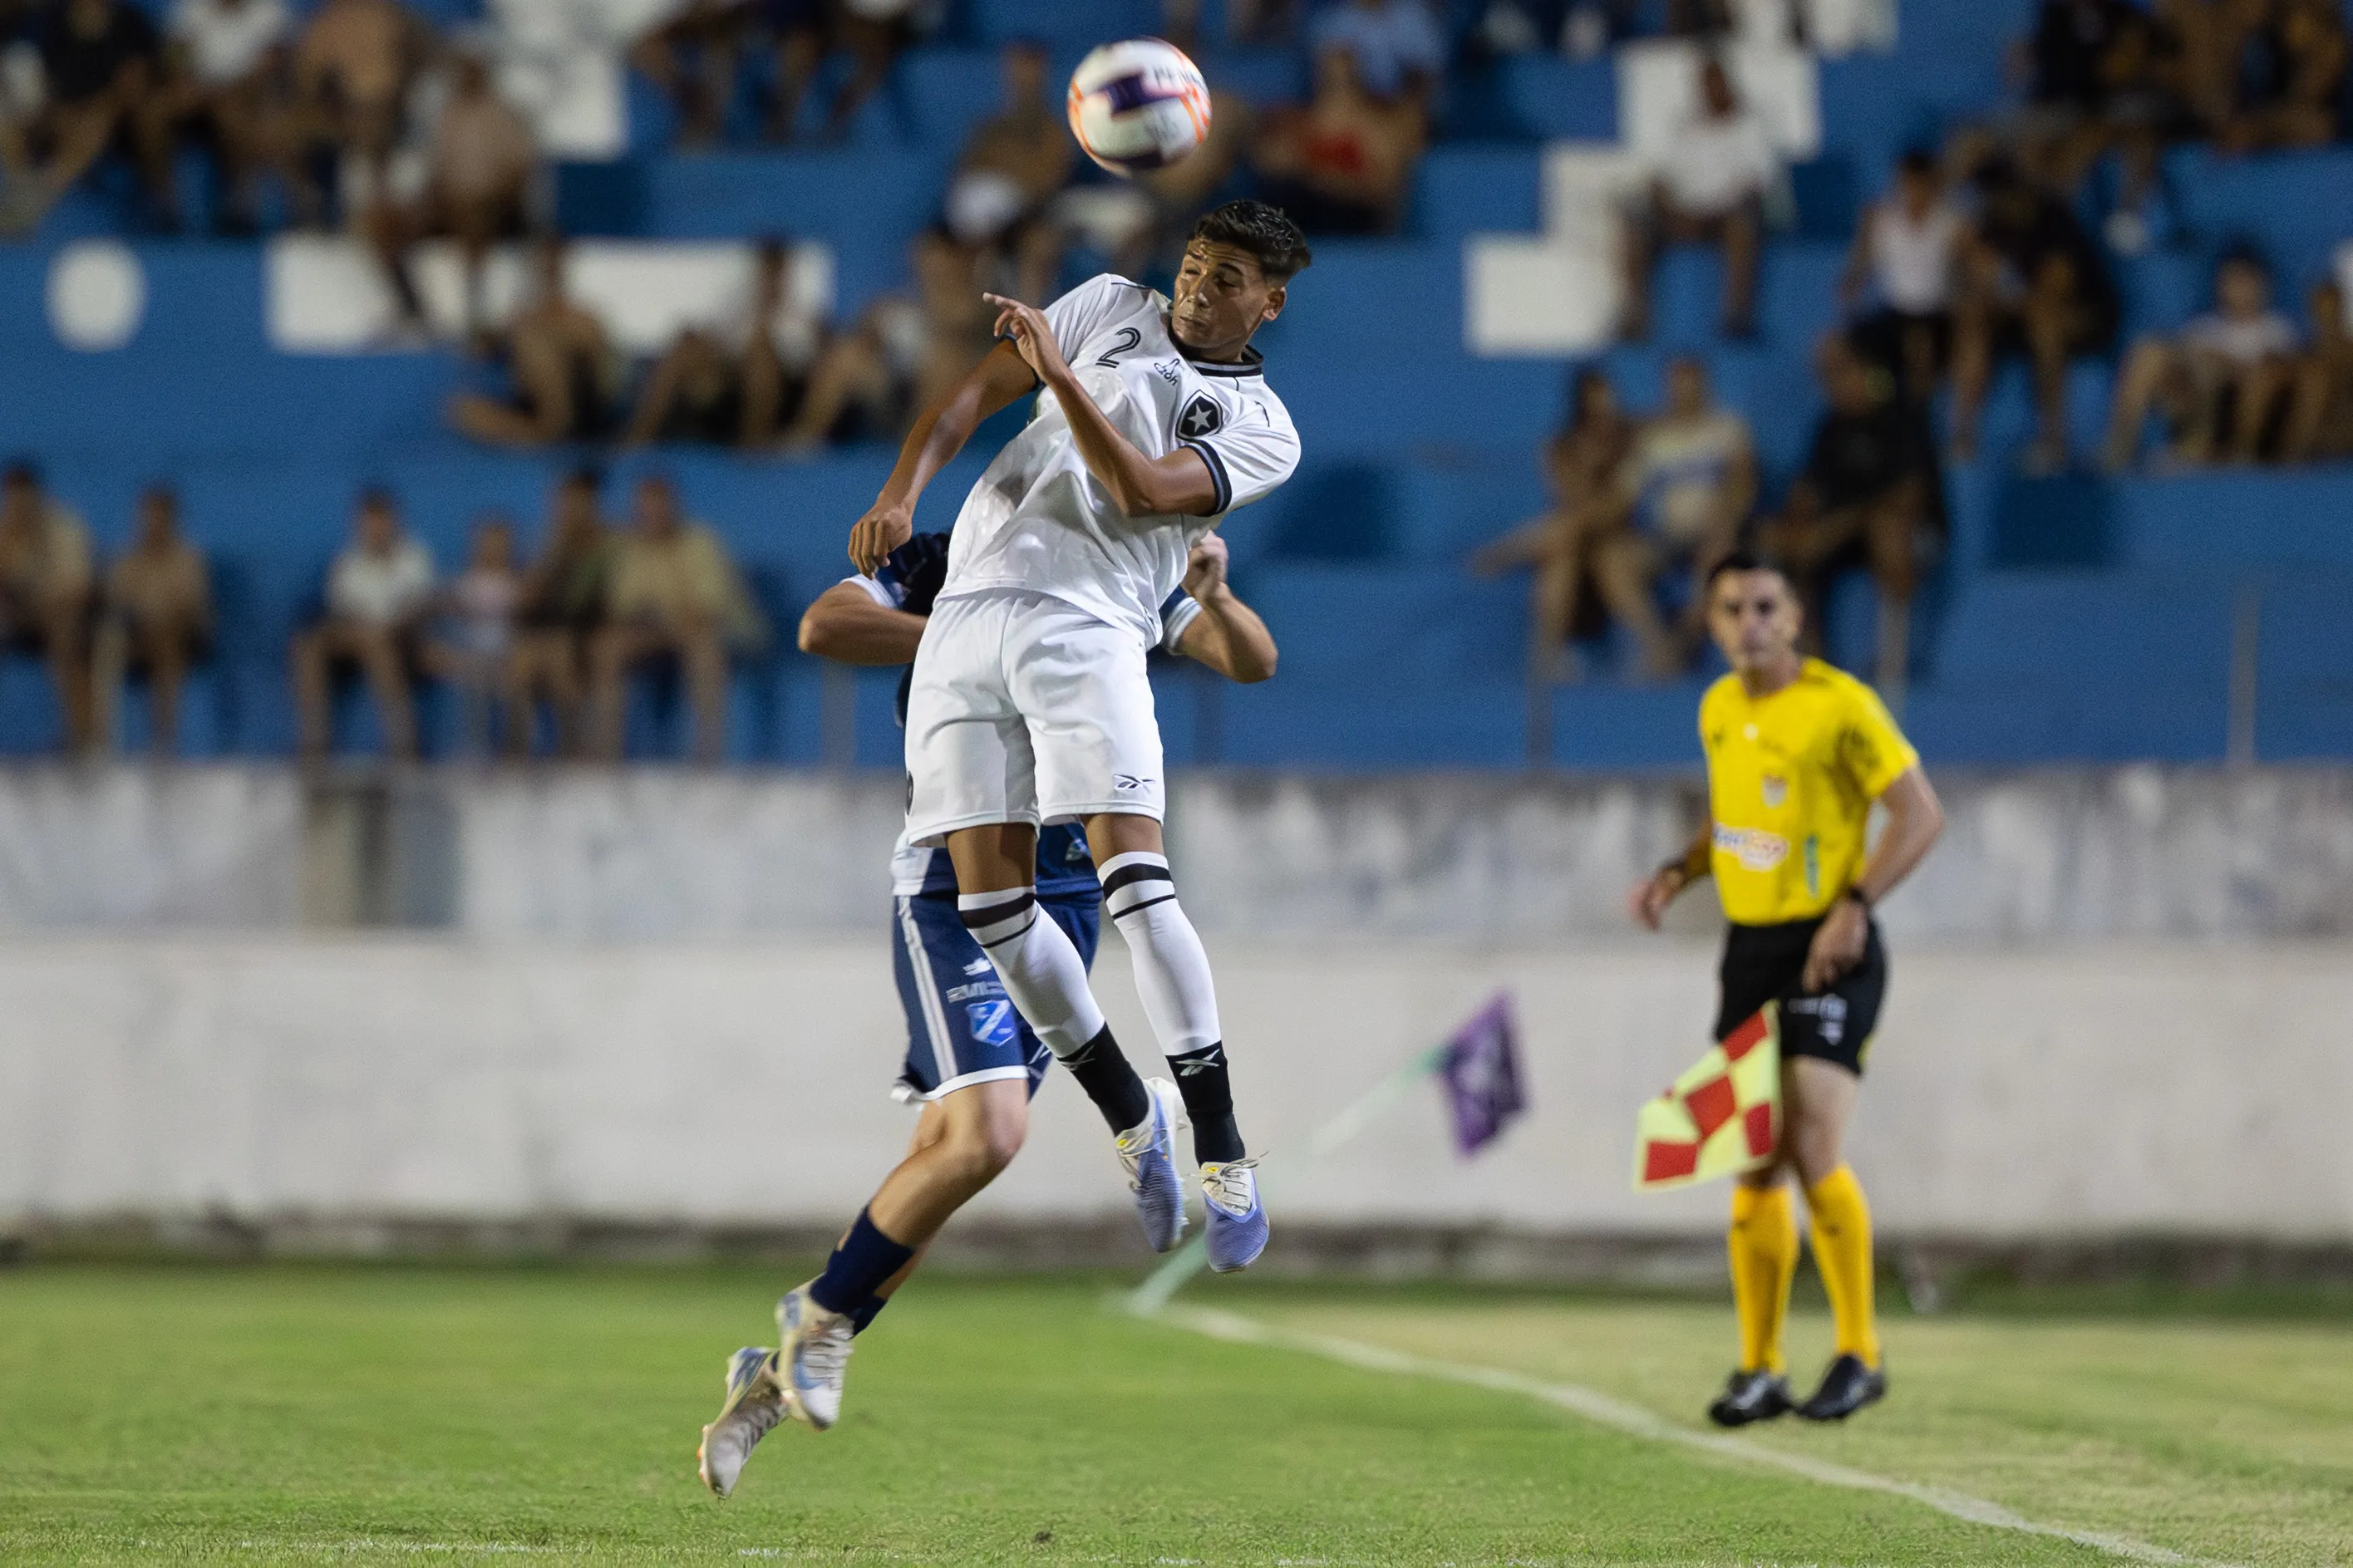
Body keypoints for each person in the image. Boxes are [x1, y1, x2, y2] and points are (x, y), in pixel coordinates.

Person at [733, 201, 1307, 1448]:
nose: (1200, 289)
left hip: (1078, 683)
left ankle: (1205, 1140)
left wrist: (1206, 587)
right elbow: (952, 424)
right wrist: (898, 488)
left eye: (1230, 280)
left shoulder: (1250, 437)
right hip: (967, 789)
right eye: (1194, 266)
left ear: (1270, 303)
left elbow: (1220, 610)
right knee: (981, 1115)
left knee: (991, 1112)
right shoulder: (971, 533)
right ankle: (833, 1311)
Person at [695, 527, 1281, 1496]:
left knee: (950, 1158)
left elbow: (1248, 659)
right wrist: (976, 637)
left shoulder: (1118, 556)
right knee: (989, 1135)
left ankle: (779, 1366)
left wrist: (1211, 595)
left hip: (1068, 893)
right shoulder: (960, 550)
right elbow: (824, 622)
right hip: (953, 877)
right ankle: (819, 1319)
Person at [1628, 551, 1944, 1430]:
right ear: (1712, 620)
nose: (1748, 621)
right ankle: (1759, 1366)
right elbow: (1732, 818)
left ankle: (1859, 1352)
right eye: (1730, 607)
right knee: (1754, 1154)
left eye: (1765, 604)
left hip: (1830, 943)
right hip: (1750, 950)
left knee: (1811, 1141)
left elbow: (1920, 814)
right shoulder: (1719, 707)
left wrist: (1853, 905)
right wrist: (1676, 872)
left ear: (1795, 615)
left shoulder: (1839, 704)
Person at [1758, 337, 1941, 697]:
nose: (1834, 385)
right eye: (1829, 378)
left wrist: (1840, 526)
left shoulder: (1903, 420)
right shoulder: (1830, 427)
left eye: (1842, 374)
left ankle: (1894, 669)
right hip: (1842, 537)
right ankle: (1810, 670)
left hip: (1908, 534)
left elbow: (1910, 498)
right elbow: (1805, 491)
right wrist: (1797, 529)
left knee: (1887, 531)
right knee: (1781, 542)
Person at [1468, 366, 1637, 682]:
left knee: (1566, 531)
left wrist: (1608, 462)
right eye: (1595, 407)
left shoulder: (1630, 442)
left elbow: (1616, 509)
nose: (1603, 413)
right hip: (1574, 542)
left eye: (1608, 405)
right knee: (1561, 557)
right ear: (1581, 408)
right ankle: (1546, 657)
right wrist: (1590, 464)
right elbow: (1570, 495)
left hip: (1614, 542)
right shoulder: (1561, 446)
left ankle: (1506, 551)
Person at [1950, 158, 2119, 470]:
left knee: (2044, 324)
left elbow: (2054, 291)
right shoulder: (1993, 223)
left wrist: (2002, 295)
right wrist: (1971, 259)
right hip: (2025, 314)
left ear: (2012, 194)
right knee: (1973, 316)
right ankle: (1961, 437)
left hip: (2086, 315)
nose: (1988, 209)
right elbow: (1978, 282)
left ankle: (2053, 439)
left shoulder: (2054, 219)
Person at [587, 472, 763, 764]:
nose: (652, 516)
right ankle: (607, 756)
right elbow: (623, 610)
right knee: (608, 647)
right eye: (645, 509)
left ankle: (708, 755)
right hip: (661, 633)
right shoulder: (633, 549)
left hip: (719, 634)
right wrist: (651, 616)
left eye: (658, 507)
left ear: (673, 507)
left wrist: (666, 610)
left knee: (704, 646)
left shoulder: (701, 542)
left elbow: (708, 611)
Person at [367, 52, 537, 341]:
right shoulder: (448, 113)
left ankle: (476, 314)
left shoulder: (503, 116)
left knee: (472, 215)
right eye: (461, 71)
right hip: (447, 203)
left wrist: (489, 196)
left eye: (472, 70)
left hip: (492, 205)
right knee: (379, 220)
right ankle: (410, 305)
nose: (465, 77)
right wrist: (428, 200)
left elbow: (518, 171)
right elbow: (436, 170)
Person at [783, 228, 995, 450]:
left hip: (949, 402)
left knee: (946, 360)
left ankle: (914, 450)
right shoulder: (897, 303)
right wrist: (873, 329)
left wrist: (931, 311)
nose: (928, 266)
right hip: (895, 395)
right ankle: (802, 442)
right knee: (847, 356)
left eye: (936, 258)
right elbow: (864, 335)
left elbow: (965, 336)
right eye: (923, 257)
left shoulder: (977, 306)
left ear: (954, 261)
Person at [1612, 354, 1757, 671]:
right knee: (1616, 559)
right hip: (1666, 538)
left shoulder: (1726, 428)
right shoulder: (1654, 440)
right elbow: (1623, 496)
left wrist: (1728, 517)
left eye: (1691, 385)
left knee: (1718, 553)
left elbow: (1744, 482)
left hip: (1715, 532)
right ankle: (1657, 647)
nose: (1685, 392)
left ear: (1704, 386)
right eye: (1677, 385)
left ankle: (1685, 643)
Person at [2102, 248, 2299, 470]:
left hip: (2242, 415)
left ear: (2262, 284)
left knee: (2209, 365)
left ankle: (2202, 447)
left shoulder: (2277, 329)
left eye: (2246, 280)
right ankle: (2120, 448)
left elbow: (2277, 377)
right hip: (2194, 402)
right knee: (2149, 352)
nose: (2239, 289)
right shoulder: (2204, 328)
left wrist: (2225, 365)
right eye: (2232, 280)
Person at [1622, 58, 1777, 342]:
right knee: (1635, 218)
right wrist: (1667, 205)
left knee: (1742, 221)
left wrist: (1712, 209)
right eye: (1705, 84)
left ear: (1728, 83)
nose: (1710, 90)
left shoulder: (1752, 124)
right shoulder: (1684, 125)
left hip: (1725, 214)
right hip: (1682, 215)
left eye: (1716, 82)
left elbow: (1758, 184)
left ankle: (1736, 315)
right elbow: (1662, 177)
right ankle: (1636, 316)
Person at [292, 487, 434, 760]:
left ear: (393, 522)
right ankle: (314, 739)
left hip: (404, 638)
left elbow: (421, 606)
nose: (375, 530)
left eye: (381, 522)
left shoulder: (414, 557)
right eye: (369, 523)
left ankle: (404, 740)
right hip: (359, 638)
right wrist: (361, 627)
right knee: (309, 644)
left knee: (377, 642)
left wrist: (387, 626)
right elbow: (342, 611)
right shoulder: (348, 563)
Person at [621, 238, 805, 449]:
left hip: (780, 391)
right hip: (728, 384)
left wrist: (763, 334)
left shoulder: (797, 316)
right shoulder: (739, 307)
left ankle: (753, 450)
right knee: (688, 343)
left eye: (776, 272)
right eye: (766, 270)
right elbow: (718, 341)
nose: (769, 279)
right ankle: (638, 439)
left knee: (761, 356)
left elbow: (802, 364)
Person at [0, 0, 159, 233]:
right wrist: (54, 111)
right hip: (55, 111)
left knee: (93, 126)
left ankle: (33, 202)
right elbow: (41, 78)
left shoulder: (130, 23)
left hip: (110, 118)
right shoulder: (51, 20)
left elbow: (133, 87)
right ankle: (19, 187)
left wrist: (95, 109)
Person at [447, 241, 619, 448]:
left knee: (533, 337)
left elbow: (604, 374)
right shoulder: (521, 316)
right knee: (463, 410)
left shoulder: (585, 317)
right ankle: (538, 430)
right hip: (531, 403)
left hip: (581, 407)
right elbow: (481, 349)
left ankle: (551, 426)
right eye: (541, 260)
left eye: (552, 260)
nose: (547, 267)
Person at [942, 38, 1073, 306]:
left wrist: (1003, 221)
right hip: (968, 219)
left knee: (1038, 243)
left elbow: (1044, 183)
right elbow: (965, 170)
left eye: (1030, 69)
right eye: (1016, 69)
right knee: (932, 250)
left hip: (1019, 220)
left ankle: (1027, 324)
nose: (1022, 77)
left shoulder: (1054, 131)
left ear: (1043, 73)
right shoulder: (989, 127)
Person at [144, 0, 290, 233]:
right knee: (154, 114)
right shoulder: (192, 8)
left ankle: (240, 200)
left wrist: (228, 91)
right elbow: (175, 54)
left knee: (230, 113)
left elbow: (270, 67)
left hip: (245, 96)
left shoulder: (268, 11)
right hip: (198, 92)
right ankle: (164, 199)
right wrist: (186, 80)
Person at [1251, 42, 1423, 236]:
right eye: (1330, 79)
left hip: (1354, 222)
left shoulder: (1378, 130)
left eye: (1345, 78)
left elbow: (1382, 188)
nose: (1338, 80)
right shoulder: (1295, 123)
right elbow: (1270, 163)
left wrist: (1319, 177)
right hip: (1301, 218)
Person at [1840, 152, 1967, 404]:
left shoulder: (1950, 222)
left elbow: (1968, 271)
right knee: (1852, 350)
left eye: (1918, 183)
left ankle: (1919, 412)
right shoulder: (1883, 219)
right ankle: (1881, 403)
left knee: (1920, 347)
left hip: (1935, 315)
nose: (1911, 190)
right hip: (1894, 313)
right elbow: (1858, 270)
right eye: (1905, 182)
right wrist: (1852, 285)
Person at [96, 484, 213, 755]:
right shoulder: (126, 560)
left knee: (168, 640)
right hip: (135, 638)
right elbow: (114, 603)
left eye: (159, 518)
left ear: (172, 521)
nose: (152, 525)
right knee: (106, 640)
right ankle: (99, 740)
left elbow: (194, 610)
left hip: (182, 639)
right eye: (146, 518)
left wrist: (162, 614)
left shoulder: (188, 560)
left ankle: (164, 743)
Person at [506, 467, 612, 757]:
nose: (568, 510)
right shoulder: (546, 546)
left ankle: (572, 746)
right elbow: (529, 603)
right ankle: (517, 750)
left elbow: (595, 599)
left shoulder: (605, 545)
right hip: (549, 631)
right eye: (563, 503)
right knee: (524, 656)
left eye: (576, 503)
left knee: (558, 650)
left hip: (590, 631)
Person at [0, 460, 96, 751]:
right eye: (11, 496)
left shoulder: (64, 527)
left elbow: (79, 586)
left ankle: (82, 739)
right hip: (15, 618)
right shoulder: (4, 532)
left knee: (65, 637)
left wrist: (44, 598)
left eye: (23, 496)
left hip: (61, 616)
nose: (17, 504)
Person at [421, 514, 524, 754]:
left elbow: (524, 628)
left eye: (500, 543)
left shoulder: (520, 584)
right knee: (464, 667)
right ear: (476, 543)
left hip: (505, 657)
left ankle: (513, 751)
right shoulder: (460, 583)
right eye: (488, 541)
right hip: (467, 657)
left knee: (513, 670)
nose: (494, 549)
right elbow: (442, 620)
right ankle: (469, 749)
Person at [2272, 278, 2353, 464]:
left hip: (2343, 432)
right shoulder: (2303, 355)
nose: (2327, 317)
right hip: (2309, 440)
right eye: (2321, 309)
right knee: (2312, 376)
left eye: (2333, 309)